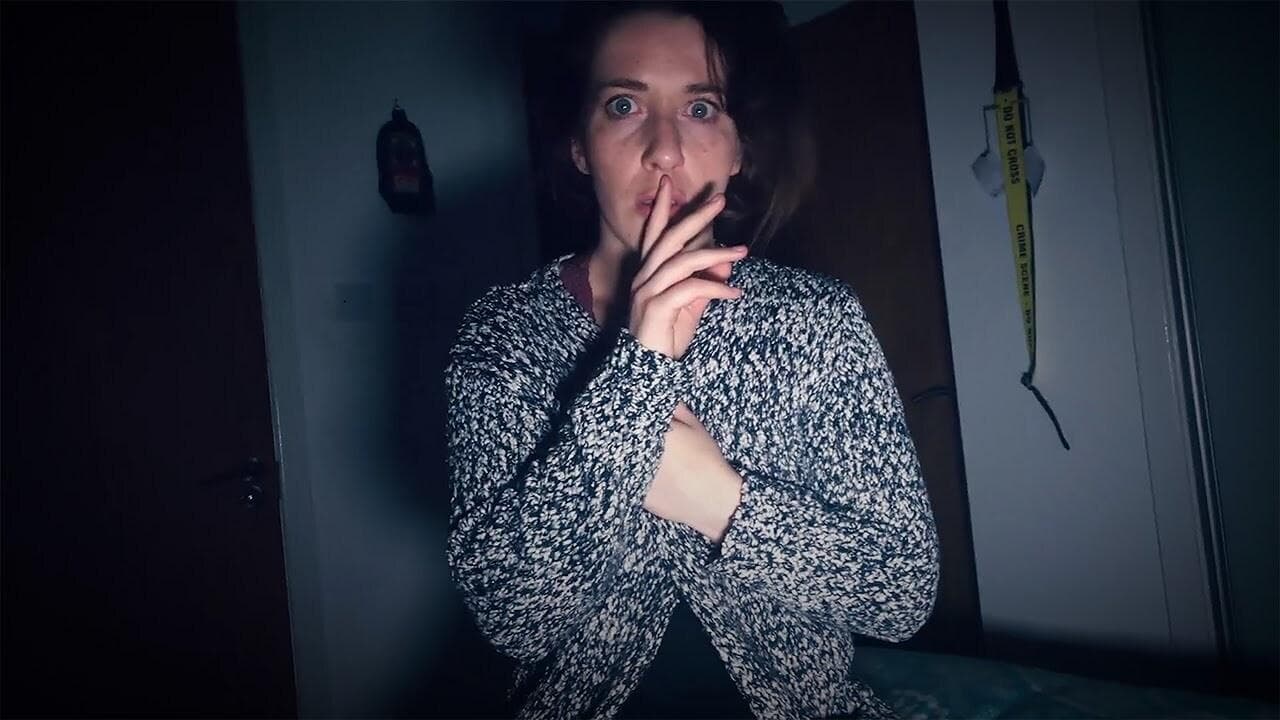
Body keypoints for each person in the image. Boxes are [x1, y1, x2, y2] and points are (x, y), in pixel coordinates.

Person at [444, 3, 940, 718]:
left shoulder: (815, 319)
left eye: (701, 108)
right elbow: (512, 616)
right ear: (580, 146)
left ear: (739, 149)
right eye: (623, 105)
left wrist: (717, 501)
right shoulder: (506, 333)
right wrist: (638, 377)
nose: (665, 151)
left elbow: (902, 593)